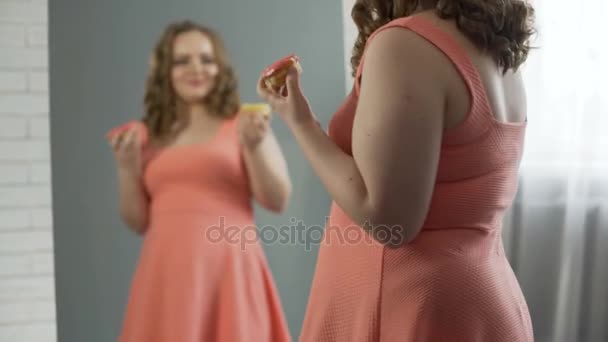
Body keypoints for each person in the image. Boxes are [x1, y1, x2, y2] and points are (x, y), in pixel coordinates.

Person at [257, 0, 536, 341]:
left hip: (410, 310)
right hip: (480, 301)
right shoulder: (495, 48)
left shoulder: (405, 45)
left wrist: (301, 124)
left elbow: (388, 221)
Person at [107, 20, 292, 342]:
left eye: (206, 59)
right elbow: (137, 221)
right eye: (182, 60)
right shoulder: (145, 135)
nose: (196, 68)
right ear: (165, 70)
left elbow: (276, 200)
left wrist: (254, 145)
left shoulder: (244, 123)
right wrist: (126, 167)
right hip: (164, 276)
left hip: (230, 273)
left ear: (219, 67)